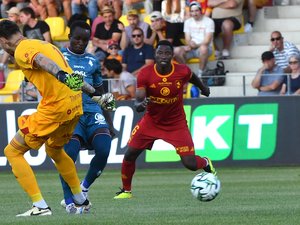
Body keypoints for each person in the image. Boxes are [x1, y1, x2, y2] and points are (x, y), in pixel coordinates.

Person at [0, 19, 91, 216]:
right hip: (74, 104)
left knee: (12, 151)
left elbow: (42, 61)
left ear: (3, 40)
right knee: (55, 149)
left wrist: (60, 75)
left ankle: (40, 206)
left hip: (56, 108)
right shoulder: (44, 43)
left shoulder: (22, 49)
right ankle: (81, 200)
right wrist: (96, 95)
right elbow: (70, 74)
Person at [113, 40, 215, 199]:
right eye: (160, 53)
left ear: (172, 55)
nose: (163, 56)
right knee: (130, 154)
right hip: (151, 122)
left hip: (176, 124)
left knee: (190, 164)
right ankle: (126, 191)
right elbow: (138, 99)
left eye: (167, 53)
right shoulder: (146, 73)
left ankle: (205, 162)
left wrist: (203, 88)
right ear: (155, 54)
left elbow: (192, 76)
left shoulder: (181, 71)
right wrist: (140, 105)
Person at [59, 21, 114, 214]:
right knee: (68, 157)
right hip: (70, 113)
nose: (81, 43)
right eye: (77, 38)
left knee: (104, 149)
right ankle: (69, 200)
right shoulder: (59, 57)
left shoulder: (93, 61)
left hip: (92, 112)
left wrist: (109, 121)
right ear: (69, 37)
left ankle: (83, 187)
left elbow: (100, 91)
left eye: (85, 40)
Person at [173, 1, 214, 77]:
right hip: (192, 48)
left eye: (196, 11)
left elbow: (207, 41)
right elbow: (187, 38)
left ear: (200, 10)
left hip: (205, 48)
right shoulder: (188, 22)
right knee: (176, 50)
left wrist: (195, 45)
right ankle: (186, 73)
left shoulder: (209, 21)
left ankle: (200, 74)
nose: (194, 13)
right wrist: (189, 44)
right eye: (192, 11)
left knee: (203, 48)